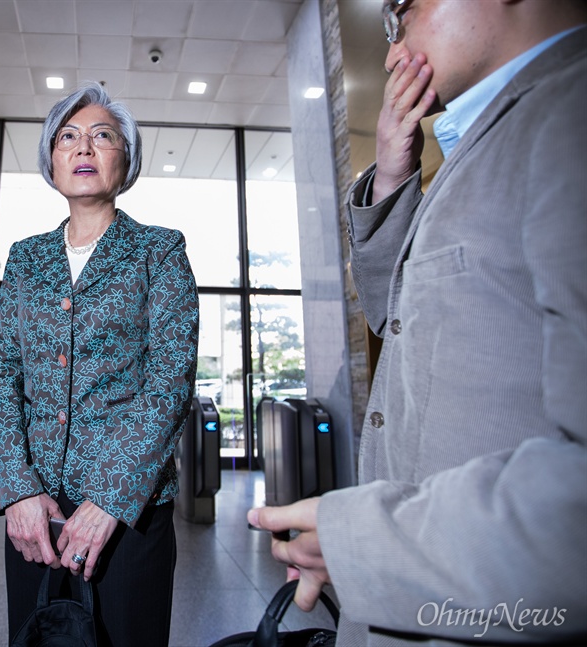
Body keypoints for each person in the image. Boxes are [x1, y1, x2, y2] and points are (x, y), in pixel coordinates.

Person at [249, 1, 587, 645]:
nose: (391, 49)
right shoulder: (477, 139)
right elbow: (397, 318)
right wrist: (392, 175)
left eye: (402, 11)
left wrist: (363, 539)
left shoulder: (568, 117)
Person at [0, 81, 199, 646]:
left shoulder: (160, 251)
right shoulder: (26, 258)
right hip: (37, 515)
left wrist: (110, 499)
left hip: (128, 514)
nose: (84, 147)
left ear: (125, 160)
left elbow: (169, 385)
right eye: (68, 137)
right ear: (51, 160)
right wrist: (17, 491)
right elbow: (3, 374)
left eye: (102, 136)